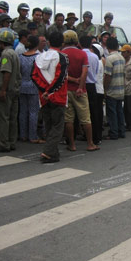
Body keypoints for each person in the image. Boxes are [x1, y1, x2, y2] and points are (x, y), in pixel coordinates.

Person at [31, 31, 69, 163]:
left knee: (49, 125)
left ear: (48, 42)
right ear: (62, 43)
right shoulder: (62, 57)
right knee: (58, 126)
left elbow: (34, 76)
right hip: (58, 96)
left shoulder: (38, 58)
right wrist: (51, 91)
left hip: (43, 97)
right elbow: (61, 77)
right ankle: (48, 151)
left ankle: (53, 153)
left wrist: (44, 91)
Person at [61, 30, 99, 152]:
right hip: (81, 91)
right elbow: (85, 72)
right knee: (86, 118)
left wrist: (72, 80)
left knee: (69, 119)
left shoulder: (61, 54)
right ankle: (90, 143)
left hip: (66, 90)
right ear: (76, 41)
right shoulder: (82, 54)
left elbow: (62, 74)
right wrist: (80, 86)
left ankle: (72, 145)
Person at [0, 30, 21, 153]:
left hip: (6, 90)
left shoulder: (6, 54)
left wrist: (3, 90)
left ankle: (3, 143)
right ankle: (12, 142)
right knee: (12, 118)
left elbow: (6, 73)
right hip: (14, 89)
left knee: (2, 117)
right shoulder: (14, 53)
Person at [19, 35, 42, 144]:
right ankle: (32, 135)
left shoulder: (20, 56)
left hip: (22, 85)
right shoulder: (38, 57)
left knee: (23, 111)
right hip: (34, 85)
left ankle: (23, 134)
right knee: (33, 112)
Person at [79, 35, 101, 145]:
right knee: (93, 111)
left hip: (80, 85)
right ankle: (95, 137)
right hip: (92, 85)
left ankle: (83, 135)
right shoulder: (94, 56)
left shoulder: (79, 55)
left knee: (80, 112)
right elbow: (96, 71)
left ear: (79, 44)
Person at [103, 37, 126, 140]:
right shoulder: (121, 58)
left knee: (112, 113)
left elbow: (108, 76)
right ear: (117, 46)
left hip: (112, 90)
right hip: (121, 89)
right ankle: (122, 131)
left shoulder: (109, 59)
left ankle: (113, 133)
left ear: (107, 47)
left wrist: (105, 89)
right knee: (119, 111)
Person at [92, 43, 105, 144]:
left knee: (95, 114)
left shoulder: (97, 62)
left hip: (96, 89)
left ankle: (96, 136)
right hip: (100, 89)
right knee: (99, 113)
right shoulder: (100, 61)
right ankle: (98, 135)